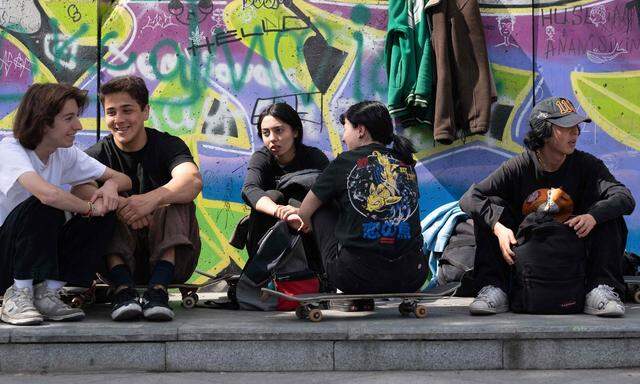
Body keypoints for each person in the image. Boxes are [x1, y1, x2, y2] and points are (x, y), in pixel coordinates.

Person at [460, 96, 635, 317]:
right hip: (525, 259)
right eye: (567, 126)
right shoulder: (519, 166)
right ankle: (495, 288)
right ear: (544, 131)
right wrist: (498, 226)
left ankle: (600, 290)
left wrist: (593, 216)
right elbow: (470, 197)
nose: (576, 132)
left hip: (573, 253)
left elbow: (625, 197)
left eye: (577, 127)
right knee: (490, 208)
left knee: (609, 213)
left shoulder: (587, 165)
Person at [0, 83, 131, 326]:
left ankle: (47, 293)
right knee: (45, 204)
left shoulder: (64, 152)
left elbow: (123, 179)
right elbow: (47, 195)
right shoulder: (10, 149)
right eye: (69, 118)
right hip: (5, 257)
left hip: (40, 256)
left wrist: (109, 188)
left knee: (104, 215)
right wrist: (90, 207)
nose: (78, 126)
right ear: (43, 121)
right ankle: (18, 293)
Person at [74, 76, 203, 321]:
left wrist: (150, 201)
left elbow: (192, 180)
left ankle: (158, 291)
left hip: (176, 263)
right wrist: (123, 206)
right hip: (115, 266)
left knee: (179, 198)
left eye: (127, 110)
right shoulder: (98, 153)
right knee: (103, 201)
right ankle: (122, 291)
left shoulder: (168, 145)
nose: (119, 120)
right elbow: (79, 189)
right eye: (111, 112)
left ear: (145, 111)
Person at [286, 101, 428, 295]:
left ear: (360, 130)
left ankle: (321, 280)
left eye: (345, 129)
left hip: (355, 277)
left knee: (321, 205)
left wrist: (300, 216)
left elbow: (305, 212)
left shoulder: (344, 162)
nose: (343, 138)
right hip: (412, 275)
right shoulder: (405, 162)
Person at [237, 103, 329, 272]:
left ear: (295, 131)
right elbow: (249, 188)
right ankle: (261, 273)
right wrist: (281, 212)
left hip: (308, 229)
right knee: (272, 196)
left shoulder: (314, 157)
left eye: (279, 130)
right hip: (269, 236)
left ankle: (319, 272)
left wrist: (301, 212)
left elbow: (329, 192)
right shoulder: (261, 158)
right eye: (266, 133)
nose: (272, 138)